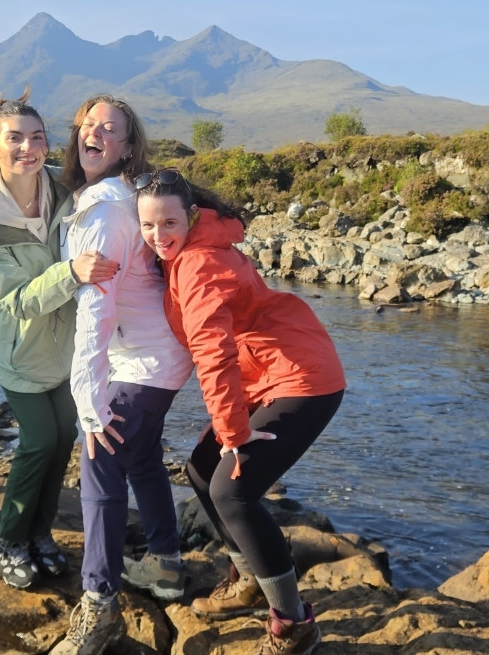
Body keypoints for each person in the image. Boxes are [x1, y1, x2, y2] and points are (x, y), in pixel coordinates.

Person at [135, 170, 346, 655]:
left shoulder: (197, 264)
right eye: (148, 226)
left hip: (303, 378)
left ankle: (294, 624)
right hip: (269, 373)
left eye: (169, 223)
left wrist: (233, 429)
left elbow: (213, 351)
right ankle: (251, 579)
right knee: (200, 469)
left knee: (232, 490)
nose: (158, 236)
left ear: (189, 216)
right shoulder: (190, 248)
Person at [49, 95, 193, 655]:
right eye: (89, 124)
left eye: (112, 128)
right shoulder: (106, 198)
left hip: (145, 360)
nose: (97, 133)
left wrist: (86, 398)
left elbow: (97, 307)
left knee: (100, 462)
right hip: (158, 356)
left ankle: (100, 602)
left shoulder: (105, 210)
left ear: (129, 146)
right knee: (140, 456)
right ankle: (167, 564)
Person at [0, 90, 119, 589]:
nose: (28, 148)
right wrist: (72, 272)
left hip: (65, 341)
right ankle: (8, 537)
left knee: (66, 436)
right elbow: (17, 299)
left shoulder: (59, 187)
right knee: (39, 440)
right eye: (15, 139)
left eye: (37, 137)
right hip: (17, 342)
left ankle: (41, 532)